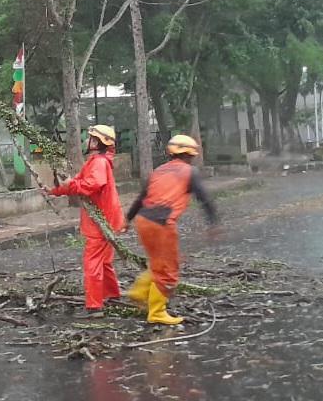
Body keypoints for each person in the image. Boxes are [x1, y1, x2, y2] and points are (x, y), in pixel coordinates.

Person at [123, 134, 218, 325]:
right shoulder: (189, 172)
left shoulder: (158, 171)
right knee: (169, 270)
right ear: (189, 155)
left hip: (143, 221)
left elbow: (141, 197)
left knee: (158, 263)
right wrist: (213, 223)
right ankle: (157, 312)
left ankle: (139, 292)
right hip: (161, 223)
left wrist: (127, 219)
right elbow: (205, 199)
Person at [48, 125, 124, 318]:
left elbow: (92, 184)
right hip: (108, 220)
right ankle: (113, 295)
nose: (87, 140)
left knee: (93, 263)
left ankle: (94, 306)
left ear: (98, 142)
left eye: (91, 137)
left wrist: (69, 185)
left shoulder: (99, 162)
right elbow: (77, 183)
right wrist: (55, 190)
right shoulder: (98, 161)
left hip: (100, 222)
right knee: (105, 261)